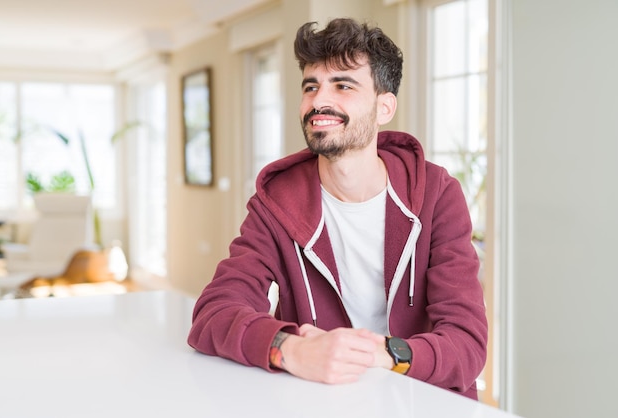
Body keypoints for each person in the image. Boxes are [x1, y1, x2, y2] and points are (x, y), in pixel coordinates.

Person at [188, 17, 488, 400]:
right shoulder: (276, 203)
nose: (319, 101)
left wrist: (381, 353)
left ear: (384, 107)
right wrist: (291, 348)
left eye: (343, 85)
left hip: (422, 399)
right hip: (320, 400)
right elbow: (213, 315)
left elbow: (467, 345)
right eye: (311, 86)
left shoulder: (436, 194)